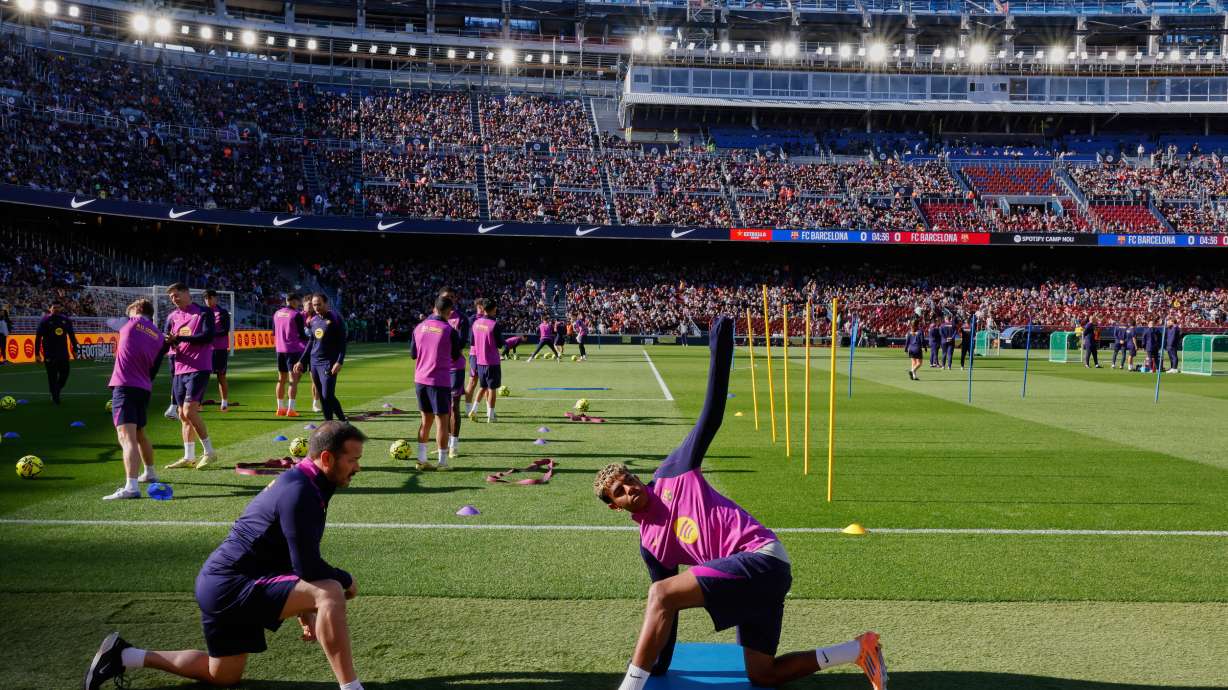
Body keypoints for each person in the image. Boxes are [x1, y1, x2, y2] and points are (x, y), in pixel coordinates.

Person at [593, 317, 887, 690]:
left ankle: (628, 688)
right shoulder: (651, 545)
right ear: (615, 506)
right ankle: (858, 650)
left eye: (629, 480)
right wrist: (659, 666)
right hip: (756, 582)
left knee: (659, 593)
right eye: (620, 491)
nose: (630, 489)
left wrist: (720, 350)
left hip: (762, 557)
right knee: (763, 674)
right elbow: (667, 613)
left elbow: (711, 416)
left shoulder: (673, 471)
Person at [85, 421, 369, 690]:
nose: (357, 467)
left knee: (222, 675)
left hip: (223, 583)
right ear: (328, 458)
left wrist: (304, 610)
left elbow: (285, 550)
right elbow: (307, 566)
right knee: (330, 590)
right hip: (231, 584)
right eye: (352, 460)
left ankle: (125, 655)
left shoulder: (311, 482)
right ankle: (351, 686)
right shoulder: (300, 491)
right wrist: (346, 580)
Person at [103, 299, 168, 500]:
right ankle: (149, 472)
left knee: (126, 436)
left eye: (129, 311)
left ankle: (131, 487)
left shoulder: (128, 323)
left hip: (125, 384)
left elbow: (108, 321)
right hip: (143, 387)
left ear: (137, 310)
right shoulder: (158, 335)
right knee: (139, 433)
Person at [162, 284, 219, 471]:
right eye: (171, 297)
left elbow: (208, 336)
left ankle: (210, 452)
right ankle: (188, 457)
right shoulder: (172, 316)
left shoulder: (203, 312)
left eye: (176, 295)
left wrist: (180, 338)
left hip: (199, 367)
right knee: (182, 415)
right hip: (179, 368)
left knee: (189, 412)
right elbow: (168, 339)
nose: (174, 299)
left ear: (187, 294)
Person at [410, 295, 462, 470]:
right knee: (442, 422)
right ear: (449, 311)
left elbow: (413, 354)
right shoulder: (449, 331)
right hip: (439, 381)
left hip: (420, 379)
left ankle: (421, 459)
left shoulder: (419, 327)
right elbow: (456, 356)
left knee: (425, 421)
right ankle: (442, 462)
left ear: (434, 308)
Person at [295, 293, 347, 422]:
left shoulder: (335, 318)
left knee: (327, 395)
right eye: (314, 305)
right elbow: (311, 342)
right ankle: (328, 423)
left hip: (329, 362)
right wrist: (301, 360)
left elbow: (342, 342)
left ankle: (344, 422)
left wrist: (339, 361)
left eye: (319, 304)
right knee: (322, 397)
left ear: (326, 303)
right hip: (314, 363)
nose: (316, 307)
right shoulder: (313, 320)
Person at [440, 287, 471, 459]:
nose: (449, 300)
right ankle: (442, 443)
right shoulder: (434, 318)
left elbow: (460, 345)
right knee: (439, 408)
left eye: (452, 297)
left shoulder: (462, 319)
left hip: (454, 367)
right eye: (446, 297)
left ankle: (453, 445)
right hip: (437, 367)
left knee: (453, 406)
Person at [34, 301, 80, 404]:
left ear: (61, 309)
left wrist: (76, 350)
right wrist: (37, 354)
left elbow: (72, 335)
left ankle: (56, 390)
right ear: (50, 309)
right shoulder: (45, 320)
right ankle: (55, 396)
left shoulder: (65, 320)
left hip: (63, 353)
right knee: (52, 376)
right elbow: (38, 337)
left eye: (58, 308)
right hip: (49, 354)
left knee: (65, 373)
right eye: (54, 307)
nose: (56, 309)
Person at [467, 298, 505, 423]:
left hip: (480, 361)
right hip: (492, 362)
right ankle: (491, 416)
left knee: (482, 387)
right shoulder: (494, 325)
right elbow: (500, 344)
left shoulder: (476, 323)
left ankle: (474, 409)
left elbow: (472, 342)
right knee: (492, 389)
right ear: (494, 309)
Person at [274, 293, 308, 417]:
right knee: (293, 381)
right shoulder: (296, 315)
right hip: (292, 350)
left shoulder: (276, 313)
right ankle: (291, 410)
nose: (299, 304)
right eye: (298, 302)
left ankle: (280, 408)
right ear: (294, 301)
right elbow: (302, 335)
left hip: (279, 349)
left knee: (281, 379)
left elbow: (274, 331)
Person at [204, 290, 232, 411]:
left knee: (221, 375)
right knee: (203, 376)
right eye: (206, 298)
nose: (208, 300)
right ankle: (198, 403)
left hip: (219, 349)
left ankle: (224, 403)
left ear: (216, 299)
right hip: (205, 349)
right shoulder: (202, 312)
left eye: (210, 298)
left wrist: (210, 334)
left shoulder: (222, 312)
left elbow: (225, 330)